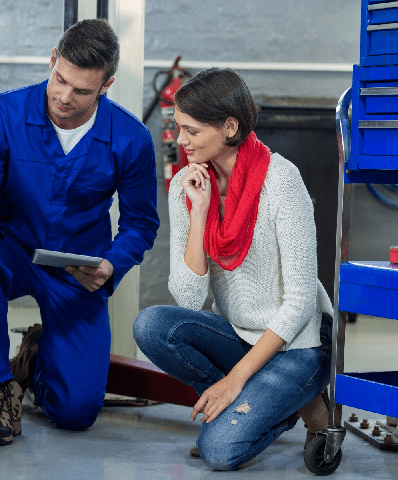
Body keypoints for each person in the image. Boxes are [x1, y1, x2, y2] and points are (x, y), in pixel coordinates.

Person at [0, 19, 159, 446]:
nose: (64, 96)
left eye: (81, 90)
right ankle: (0, 389)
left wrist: (111, 265)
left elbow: (141, 222)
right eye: (59, 79)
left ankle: (34, 360)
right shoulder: (1, 114)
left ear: (106, 85)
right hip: (11, 249)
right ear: (53, 61)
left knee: (76, 413)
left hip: (76, 268)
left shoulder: (131, 139)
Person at [133, 68, 333, 470]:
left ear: (229, 127)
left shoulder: (281, 180)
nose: (181, 141)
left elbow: (299, 303)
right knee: (151, 326)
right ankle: (252, 405)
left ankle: (297, 398)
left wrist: (235, 379)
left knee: (220, 452)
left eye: (191, 131)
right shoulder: (187, 185)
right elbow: (189, 298)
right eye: (178, 129)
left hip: (299, 341)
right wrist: (201, 211)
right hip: (240, 334)